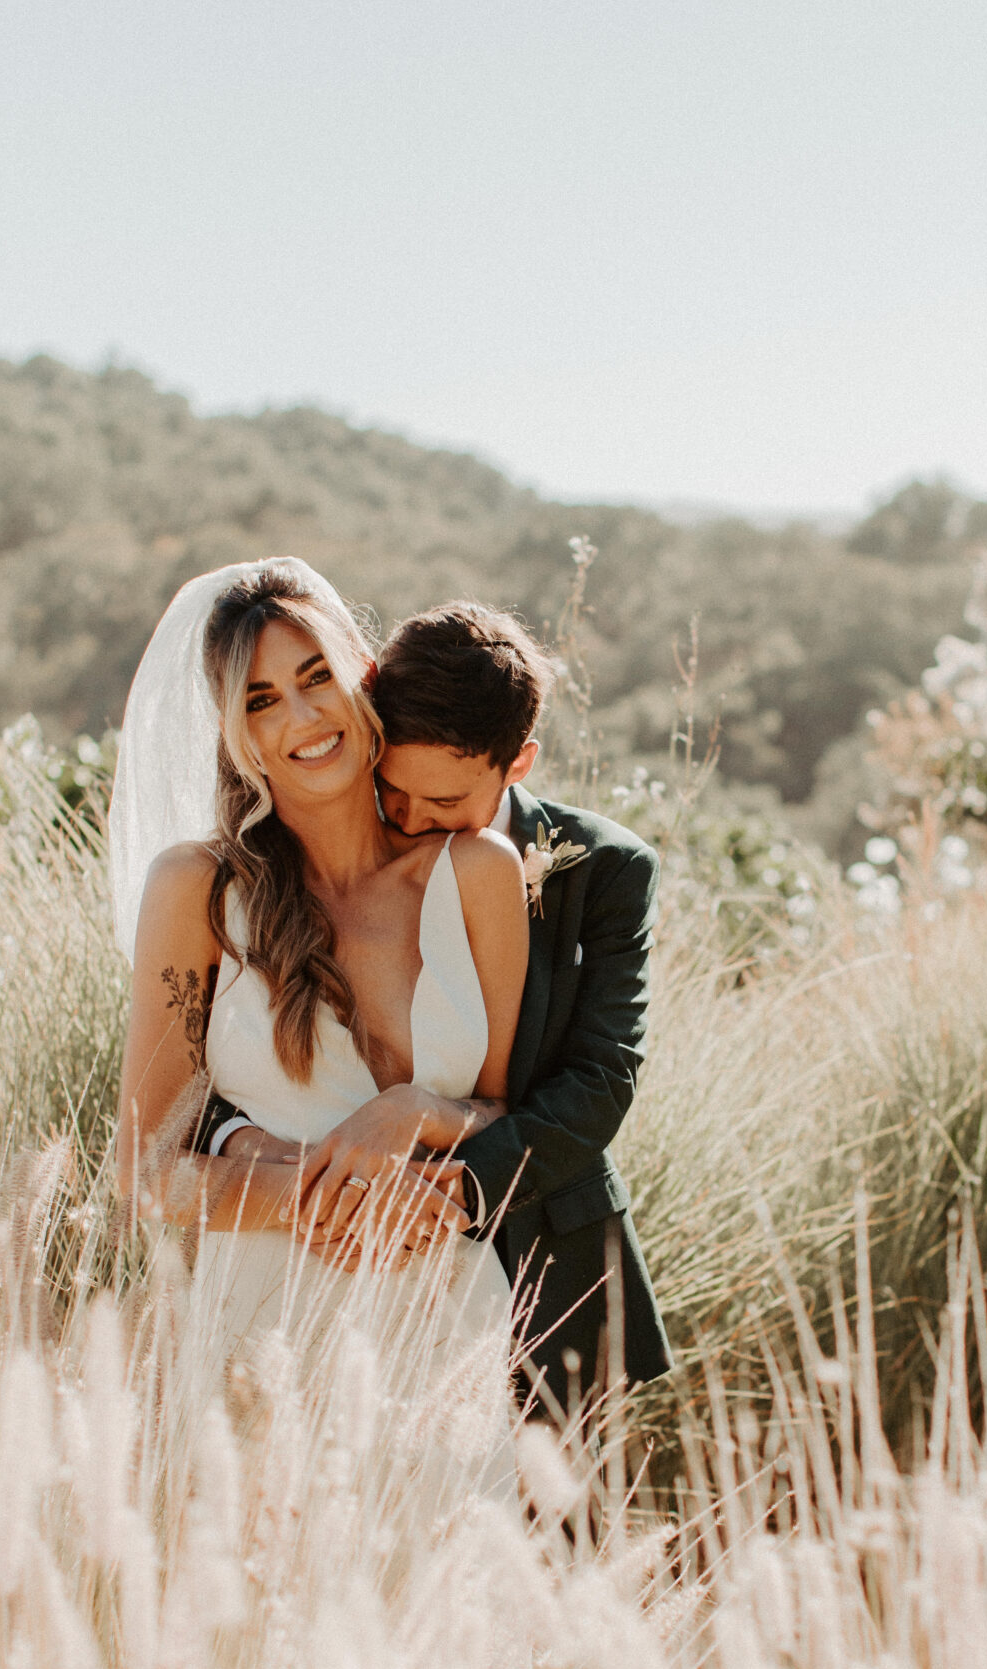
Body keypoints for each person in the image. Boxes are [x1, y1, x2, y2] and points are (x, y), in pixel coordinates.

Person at [203, 600, 672, 1417]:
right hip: (321, 1288)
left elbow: (598, 1084)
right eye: (395, 791)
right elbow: (228, 1060)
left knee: (558, 1536)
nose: (412, 820)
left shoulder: (603, 868)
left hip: (541, 1262)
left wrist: (437, 1183)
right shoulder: (300, 863)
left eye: (446, 802)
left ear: (516, 765)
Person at [110, 560, 530, 1468]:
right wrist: (318, 1190)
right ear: (234, 736)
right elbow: (146, 1173)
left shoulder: (479, 875)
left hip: (443, 1321)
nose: (301, 719)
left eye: (314, 679)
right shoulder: (198, 892)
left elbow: (499, 1114)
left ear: (361, 678)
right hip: (265, 1331)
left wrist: (415, 1115)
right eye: (261, 701)